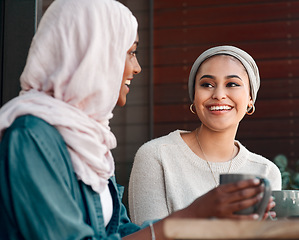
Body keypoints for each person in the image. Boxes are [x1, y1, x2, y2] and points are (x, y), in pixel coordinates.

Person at [0, 0, 275, 239]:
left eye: (233, 85)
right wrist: (192, 216)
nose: (137, 67)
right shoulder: (31, 138)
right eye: (130, 52)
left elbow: (119, 232)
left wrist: (210, 223)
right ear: (94, 55)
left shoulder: (86, 142)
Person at [129, 46, 282, 225]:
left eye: (232, 84)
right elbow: (150, 236)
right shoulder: (157, 156)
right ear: (194, 97)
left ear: (250, 99)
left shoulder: (266, 172)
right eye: (206, 85)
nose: (218, 95)